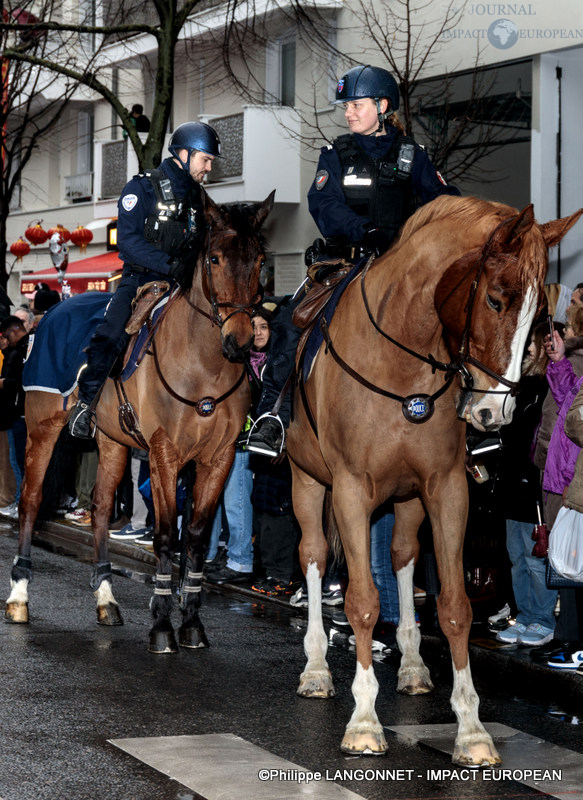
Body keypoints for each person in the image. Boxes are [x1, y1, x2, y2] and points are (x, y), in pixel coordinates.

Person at [246, 64, 460, 457]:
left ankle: (470, 424)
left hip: (401, 267)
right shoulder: (336, 154)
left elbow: (444, 203)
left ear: (382, 106)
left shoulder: (414, 157)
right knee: (293, 323)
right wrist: (366, 231)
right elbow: (322, 204)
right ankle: (271, 417)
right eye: (346, 106)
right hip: (343, 264)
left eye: (356, 105)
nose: (348, 113)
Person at [68, 121, 221, 438]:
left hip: (184, 285)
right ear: (183, 153)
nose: (209, 167)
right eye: (205, 159)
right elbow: (128, 242)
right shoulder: (142, 188)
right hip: (141, 280)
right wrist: (170, 264)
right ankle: (85, 404)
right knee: (111, 335)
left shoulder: (200, 199)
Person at [494, 321, 557, 647]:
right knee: (516, 557)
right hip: (509, 481)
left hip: (533, 484)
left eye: (531, 343)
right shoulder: (519, 383)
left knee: (535, 559)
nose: (528, 348)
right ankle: (526, 616)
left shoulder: (549, 384)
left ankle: (543, 620)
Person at [205, 308, 273, 585]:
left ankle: (241, 560)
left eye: (263, 327)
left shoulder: (271, 361)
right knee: (221, 501)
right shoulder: (239, 359)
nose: (257, 333)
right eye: (253, 327)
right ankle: (224, 553)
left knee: (237, 501)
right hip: (225, 437)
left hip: (246, 441)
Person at [0, 317, 29, 519]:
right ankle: (20, 501)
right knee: (17, 460)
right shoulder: (22, 349)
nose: (6, 340)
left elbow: (18, 382)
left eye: (6, 336)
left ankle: (21, 502)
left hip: (18, 414)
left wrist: (4, 383)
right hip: (17, 413)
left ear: (15, 330)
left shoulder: (22, 351)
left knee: (17, 461)